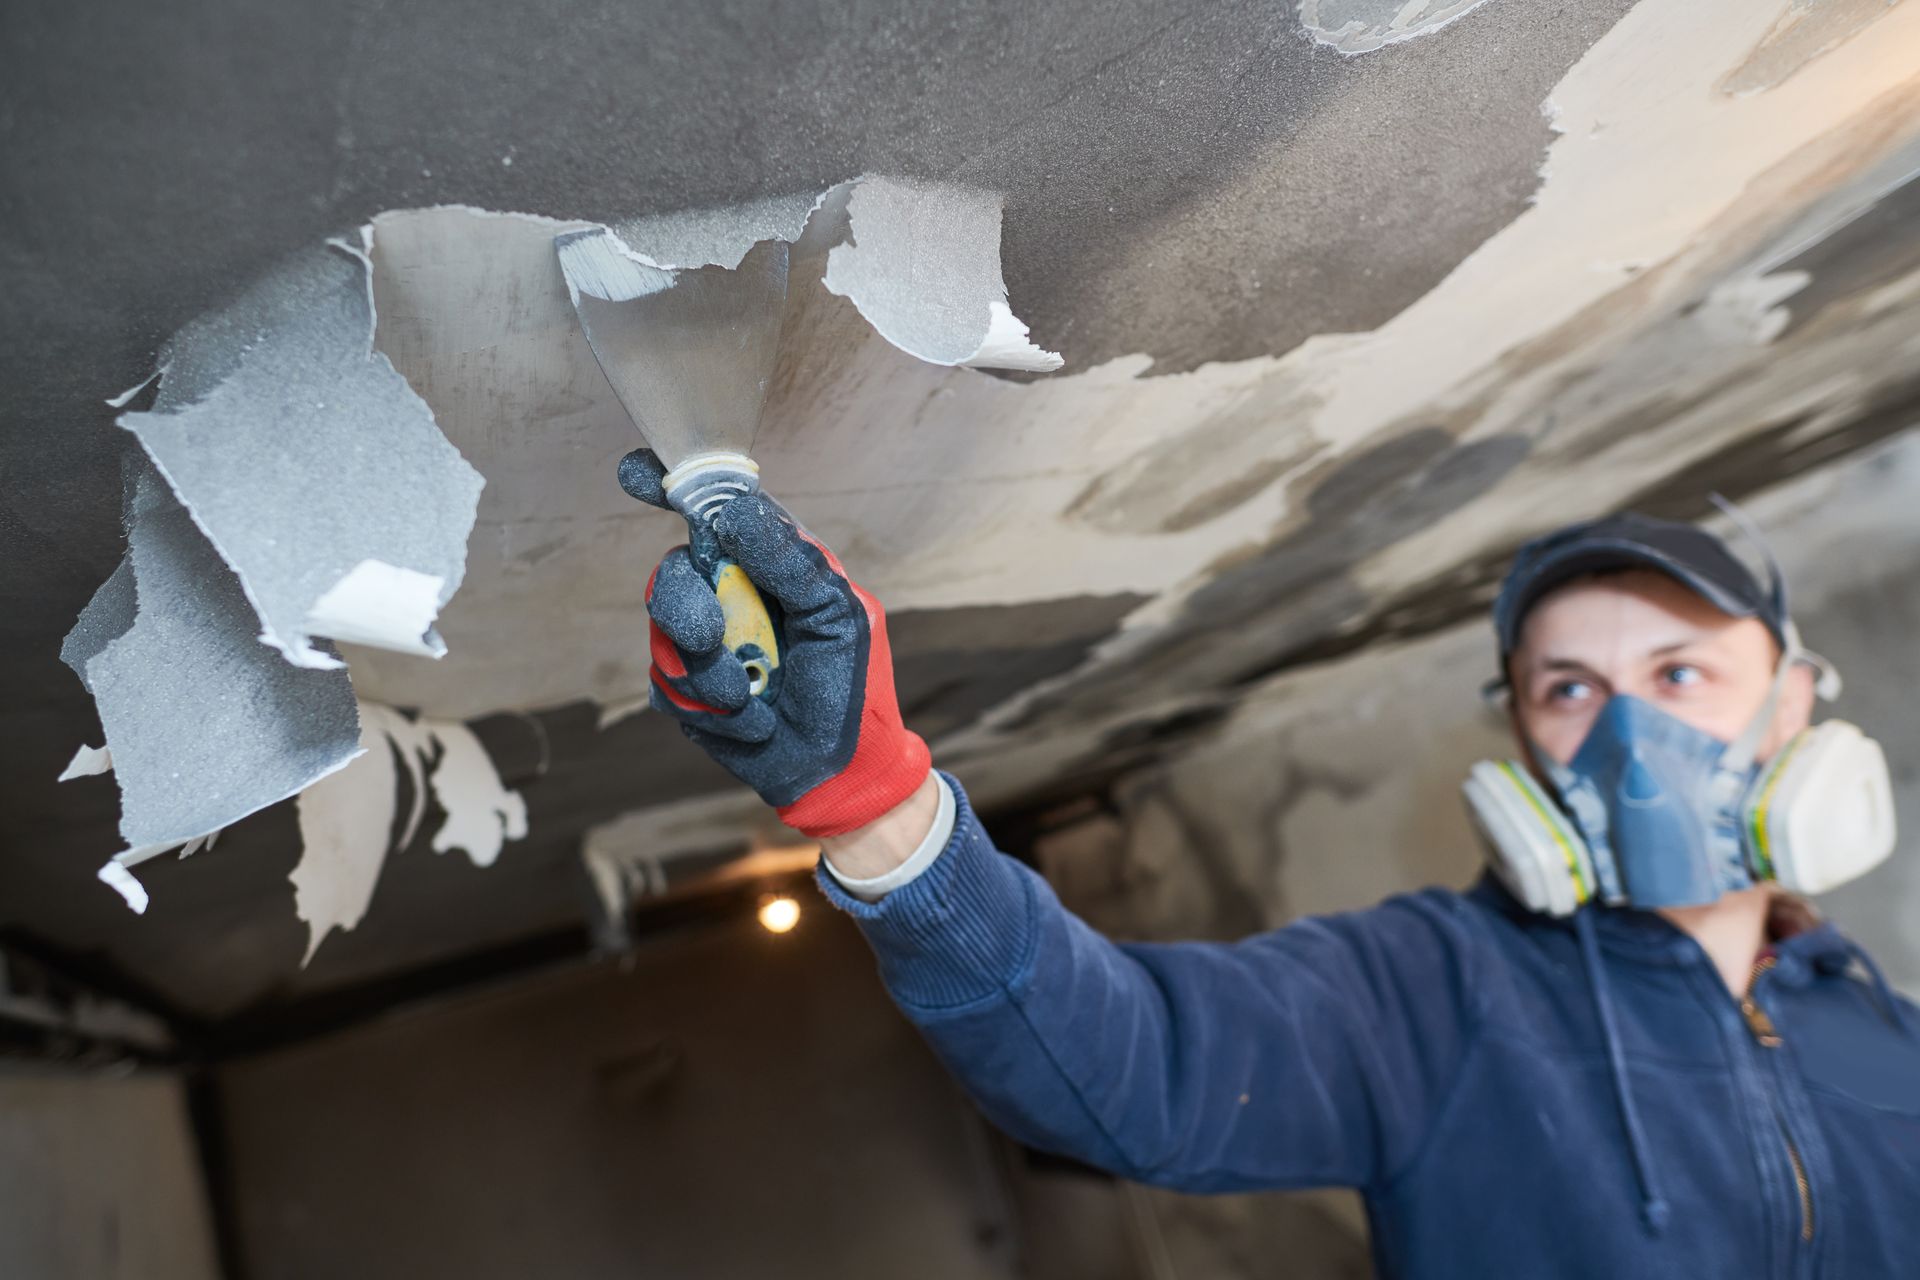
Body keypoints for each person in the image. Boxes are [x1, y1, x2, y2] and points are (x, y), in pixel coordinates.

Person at [620, 448, 1919, 1279]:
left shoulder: (1887, 1036)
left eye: (1682, 674)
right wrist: (881, 813)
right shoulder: (1434, 994)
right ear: (1520, 734)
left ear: (1794, 705)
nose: (1626, 732)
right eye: (1568, 687)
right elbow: (1139, 1071)